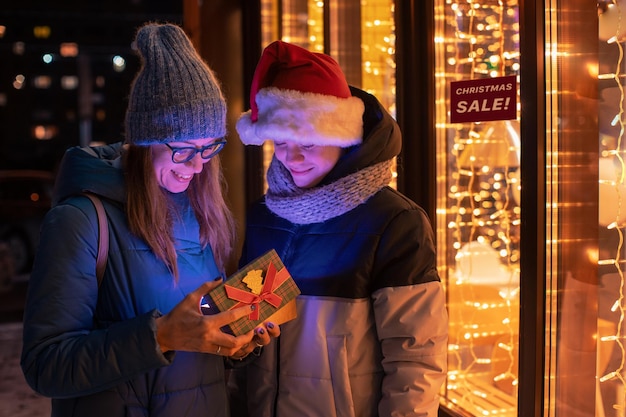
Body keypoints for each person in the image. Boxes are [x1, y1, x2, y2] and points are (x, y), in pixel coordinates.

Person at [20, 22, 278, 417]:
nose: (197, 165)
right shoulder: (81, 222)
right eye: (183, 149)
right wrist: (159, 336)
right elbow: (46, 365)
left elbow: (197, 345)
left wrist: (232, 342)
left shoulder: (202, 217)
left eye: (210, 147)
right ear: (143, 142)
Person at [229, 40, 448, 417]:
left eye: (309, 143)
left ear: (342, 137)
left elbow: (416, 360)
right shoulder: (263, 216)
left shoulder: (393, 222)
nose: (291, 157)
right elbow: (241, 334)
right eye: (280, 141)